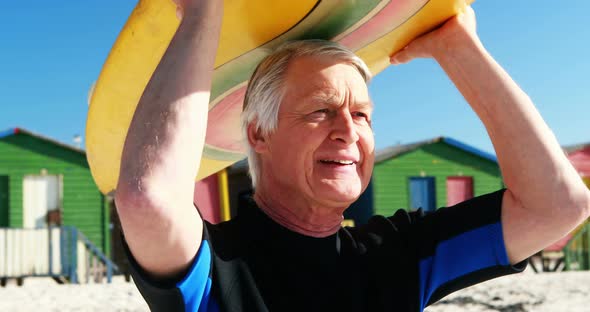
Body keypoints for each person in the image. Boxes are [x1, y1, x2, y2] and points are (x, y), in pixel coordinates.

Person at [114, 1, 590, 311]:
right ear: (258, 133)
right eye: (321, 111)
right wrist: (204, 14)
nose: (349, 132)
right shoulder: (216, 267)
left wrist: (459, 48)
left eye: (362, 115)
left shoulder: (398, 255)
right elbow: (147, 198)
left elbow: (559, 207)